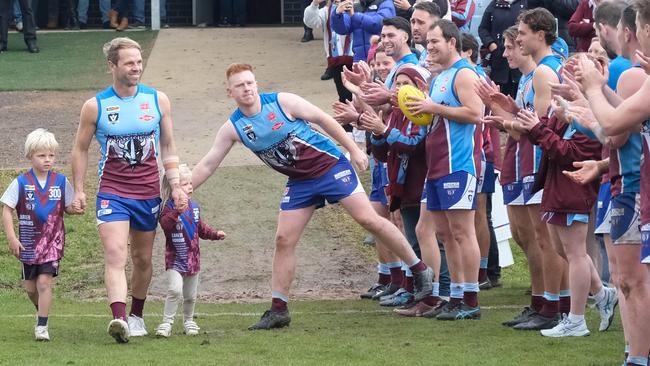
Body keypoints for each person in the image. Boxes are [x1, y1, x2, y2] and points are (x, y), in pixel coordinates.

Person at [192, 63, 433, 330]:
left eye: (250, 83)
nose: (247, 88)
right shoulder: (233, 127)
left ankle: (419, 269)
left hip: (331, 166)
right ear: (230, 92)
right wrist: (184, 189)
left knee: (368, 219)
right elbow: (208, 164)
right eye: (240, 85)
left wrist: (353, 149)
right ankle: (278, 309)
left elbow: (324, 119)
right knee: (284, 239)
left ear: (256, 84)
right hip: (300, 181)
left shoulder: (282, 102)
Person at [71, 37, 188, 343]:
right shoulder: (95, 105)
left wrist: (175, 184)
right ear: (112, 66)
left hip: (148, 192)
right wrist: (79, 189)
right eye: (129, 63)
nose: (136, 68)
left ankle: (137, 315)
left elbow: (168, 145)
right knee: (115, 253)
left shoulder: (157, 100)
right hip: (112, 192)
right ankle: (119, 319)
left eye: (139, 62)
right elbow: (80, 149)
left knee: (143, 258)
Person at [404, 19, 484, 319]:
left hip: (458, 163)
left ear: (452, 42)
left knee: (463, 232)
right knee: (445, 233)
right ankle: (456, 295)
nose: (429, 46)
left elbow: (475, 114)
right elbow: (435, 115)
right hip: (437, 165)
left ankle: (471, 300)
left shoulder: (464, 73)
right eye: (427, 42)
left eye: (435, 41)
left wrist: (433, 108)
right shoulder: (440, 77)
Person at [477, 25, 545, 326]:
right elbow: (525, 121)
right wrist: (506, 113)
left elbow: (539, 128)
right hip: (519, 160)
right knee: (523, 235)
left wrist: (506, 119)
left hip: (536, 163)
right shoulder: (527, 79)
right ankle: (541, 301)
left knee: (541, 238)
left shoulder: (545, 72)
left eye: (511, 46)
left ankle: (553, 304)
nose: (505, 53)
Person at [1, 128, 78, 341]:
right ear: (30, 156)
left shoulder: (61, 182)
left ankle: (42, 326)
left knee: (44, 283)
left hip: (53, 243)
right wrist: (11, 237)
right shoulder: (21, 182)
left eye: (51, 155)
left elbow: (69, 207)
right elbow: (6, 208)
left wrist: (76, 208)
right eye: (42, 155)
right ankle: (39, 309)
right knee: (30, 288)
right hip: (28, 243)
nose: (47, 160)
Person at [155, 164, 225, 338]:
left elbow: (200, 228)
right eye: (185, 184)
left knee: (190, 295)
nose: (190, 187)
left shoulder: (194, 208)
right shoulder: (167, 208)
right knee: (174, 290)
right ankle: (167, 323)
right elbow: (165, 225)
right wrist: (177, 212)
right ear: (173, 188)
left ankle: (189, 321)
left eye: (190, 183)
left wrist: (215, 234)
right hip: (174, 260)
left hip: (193, 260)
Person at [477, 0, 527, 98]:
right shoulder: (494, 4)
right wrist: (491, 44)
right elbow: (483, 28)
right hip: (499, 57)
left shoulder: (526, 3)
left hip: (520, 56)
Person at [331, 0, 396, 63]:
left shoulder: (385, 2)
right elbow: (342, 30)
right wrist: (337, 14)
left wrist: (355, 16)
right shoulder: (355, 6)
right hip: (359, 60)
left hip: (381, 59)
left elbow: (378, 24)